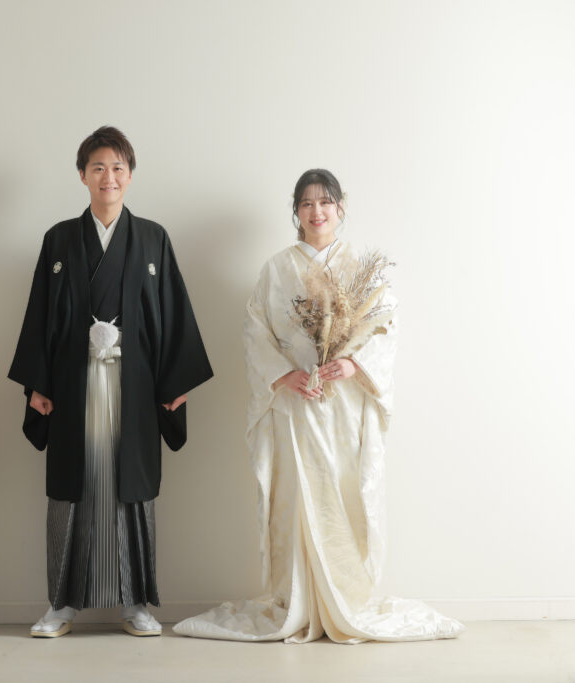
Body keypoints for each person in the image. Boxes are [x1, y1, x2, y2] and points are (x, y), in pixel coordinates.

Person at [173, 169, 463, 643]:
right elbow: (255, 330)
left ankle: (345, 598)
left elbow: (384, 327)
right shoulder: (276, 269)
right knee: (296, 497)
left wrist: (353, 365)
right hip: (294, 403)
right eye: (307, 203)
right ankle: (300, 600)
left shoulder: (360, 268)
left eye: (325, 202)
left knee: (344, 493)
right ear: (296, 212)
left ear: (340, 207)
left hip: (344, 406)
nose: (317, 211)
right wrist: (283, 375)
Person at [9, 126, 213, 638]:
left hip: (135, 385)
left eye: (118, 167)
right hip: (72, 383)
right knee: (72, 487)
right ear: (82, 175)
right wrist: (37, 384)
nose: (109, 177)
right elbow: (39, 315)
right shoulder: (59, 239)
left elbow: (173, 314)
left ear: (130, 176)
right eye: (98, 167)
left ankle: (136, 603)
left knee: (132, 486)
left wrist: (175, 382)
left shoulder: (152, 239)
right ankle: (60, 605)